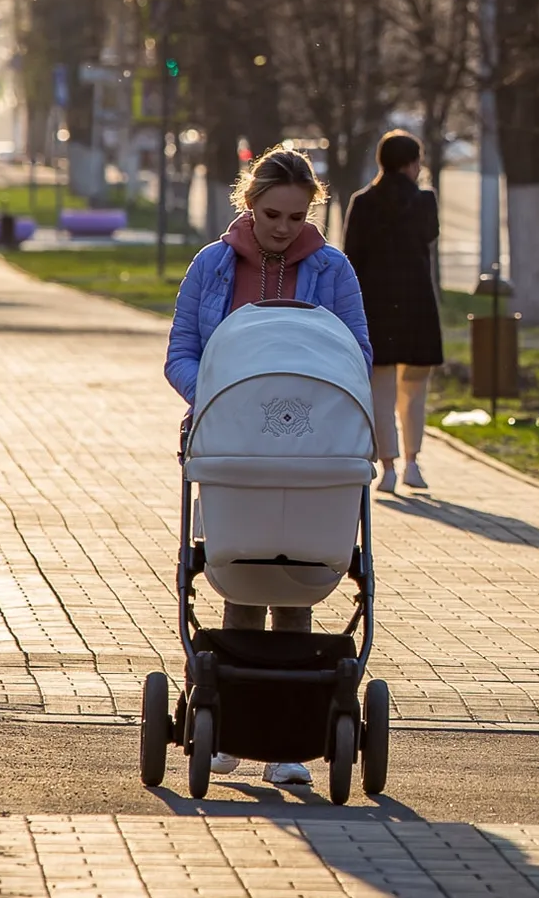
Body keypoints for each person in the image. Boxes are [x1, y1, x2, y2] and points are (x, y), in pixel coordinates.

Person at [164, 144, 374, 786]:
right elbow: (181, 350)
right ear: (249, 205)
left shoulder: (331, 268)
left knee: (298, 566)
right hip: (233, 437)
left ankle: (287, 738)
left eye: (297, 216)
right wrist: (221, 399)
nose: (284, 228)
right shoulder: (214, 265)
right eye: (272, 214)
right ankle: (230, 726)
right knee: (239, 560)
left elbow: (356, 351)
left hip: (309, 439)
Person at [343, 131, 444, 493]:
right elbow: (428, 235)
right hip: (417, 304)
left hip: (375, 307)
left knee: (380, 389)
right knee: (414, 389)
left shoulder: (363, 202)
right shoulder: (424, 202)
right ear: (411, 163)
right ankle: (413, 463)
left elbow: (351, 254)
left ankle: (387, 466)